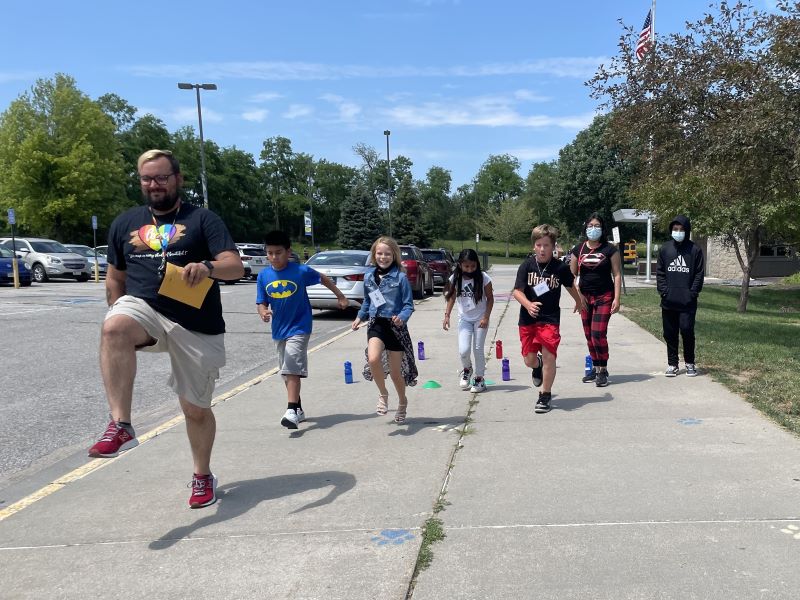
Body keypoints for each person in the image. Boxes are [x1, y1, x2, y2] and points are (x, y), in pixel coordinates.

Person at [89, 149, 244, 509]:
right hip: (146, 310)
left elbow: (234, 266)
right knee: (113, 329)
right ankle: (121, 425)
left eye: (161, 177)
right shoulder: (124, 223)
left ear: (178, 179)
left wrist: (207, 266)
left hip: (196, 324)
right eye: (147, 179)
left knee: (196, 410)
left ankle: (202, 475)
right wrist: (118, 315)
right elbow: (116, 277)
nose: (154, 185)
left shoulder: (203, 219)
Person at [257, 230, 348, 429]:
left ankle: (290, 410)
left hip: (300, 326)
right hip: (278, 329)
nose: (274, 257)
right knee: (286, 372)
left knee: (291, 366)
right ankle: (298, 408)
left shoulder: (299, 271)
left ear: (288, 252)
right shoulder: (264, 276)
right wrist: (263, 311)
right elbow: (261, 301)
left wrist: (340, 296)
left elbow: (323, 278)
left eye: (278, 252)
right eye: (270, 253)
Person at [513, 224, 583, 413]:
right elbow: (517, 292)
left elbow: (570, 286)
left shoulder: (560, 267)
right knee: (529, 360)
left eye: (546, 245)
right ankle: (538, 366)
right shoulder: (526, 266)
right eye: (538, 245)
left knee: (550, 355)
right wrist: (528, 304)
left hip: (550, 319)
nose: (542, 249)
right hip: (527, 320)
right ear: (533, 246)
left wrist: (579, 301)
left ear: (553, 246)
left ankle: (545, 395)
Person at [351, 236, 417, 423]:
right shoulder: (369, 277)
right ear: (374, 255)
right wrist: (358, 317)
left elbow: (408, 305)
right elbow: (367, 301)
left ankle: (402, 401)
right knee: (373, 359)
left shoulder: (401, 277)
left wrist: (401, 317)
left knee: (396, 374)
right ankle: (383, 394)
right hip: (376, 324)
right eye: (379, 253)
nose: (383, 257)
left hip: (395, 328)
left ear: (394, 255)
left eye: (387, 254)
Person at [570, 212, 622, 387]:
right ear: (586, 228)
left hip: (604, 297)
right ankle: (595, 365)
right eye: (590, 226)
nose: (593, 229)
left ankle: (602, 370)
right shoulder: (578, 249)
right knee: (588, 335)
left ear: (602, 229)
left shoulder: (610, 250)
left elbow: (617, 274)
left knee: (598, 334)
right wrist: (578, 296)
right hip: (585, 298)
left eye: (597, 226)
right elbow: (572, 276)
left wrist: (617, 298)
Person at [656, 215, 705, 377]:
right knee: (669, 332)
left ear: (687, 230)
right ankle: (672, 364)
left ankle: (690, 363)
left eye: (681, 229)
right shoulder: (665, 249)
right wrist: (664, 291)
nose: (678, 232)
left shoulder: (695, 250)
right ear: (671, 230)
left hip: (687, 301)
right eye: (675, 229)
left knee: (686, 330)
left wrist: (693, 293)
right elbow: (660, 272)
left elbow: (699, 274)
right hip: (668, 300)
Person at [443, 249, 494, 393]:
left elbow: (490, 298)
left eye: (473, 266)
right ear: (460, 265)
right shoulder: (455, 278)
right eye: (466, 266)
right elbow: (452, 298)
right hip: (464, 319)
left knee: (478, 349)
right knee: (463, 350)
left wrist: (486, 317)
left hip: (480, 319)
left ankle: (479, 379)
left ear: (477, 264)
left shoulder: (484, 278)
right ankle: (467, 369)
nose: (470, 269)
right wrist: (447, 315)